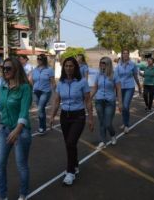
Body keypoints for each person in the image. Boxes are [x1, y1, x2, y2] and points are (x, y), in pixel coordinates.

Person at [49, 57, 94, 186]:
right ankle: (75, 164)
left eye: (71, 66)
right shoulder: (61, 83)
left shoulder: (82, 82)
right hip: (65, 116)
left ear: (75, 67)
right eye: (66, 66)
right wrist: (52, 116)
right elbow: (57, 100)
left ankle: (70, 172)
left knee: (70, 142)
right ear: (63, 68)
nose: (68, 68)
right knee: (69, 144)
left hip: (78, 116)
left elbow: (88, 100)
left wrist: (90, 118)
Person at [0, 57, 32, 200]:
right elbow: (1, 109)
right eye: (4, 68)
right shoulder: (2, 87)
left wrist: (17, 130)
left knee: (21, 165)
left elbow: (24, 111)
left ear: (16, 69)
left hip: (21, 131)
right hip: (3, 130)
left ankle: (23, 194)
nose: (5, 71)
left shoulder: (25, 88)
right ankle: (2, 195)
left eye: (8, 68)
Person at [90, 57, 122, 149]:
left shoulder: (114, 75)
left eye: (103, 63)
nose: (101, 65)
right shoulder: (98, 74)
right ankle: (103, 141)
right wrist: (89, 98)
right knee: (101, 122)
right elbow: (95, 88)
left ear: (108, 64)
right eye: (100, 63)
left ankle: (112, 134)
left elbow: (118, 89)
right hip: (99, 101)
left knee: (108, 123)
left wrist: (120, 102)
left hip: (110, 101)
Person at [115, 49, 142, 134]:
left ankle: (126, 125)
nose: (125, 55)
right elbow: (115, 77)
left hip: (129, 87)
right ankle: (124, 122)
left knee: (126, 106)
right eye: (124, 53)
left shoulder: (133, 64)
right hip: (120, 88)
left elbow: (135, 76)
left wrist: (139, 86)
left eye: (127, 53)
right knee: (122, 106)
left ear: (129, 55)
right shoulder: (118, 65)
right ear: (122, 55)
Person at [31, 54, 55, 134]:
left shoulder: (49, 70)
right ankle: (42, 125)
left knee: (40, 108)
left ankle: (42, 127)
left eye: (40, 59)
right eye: (38, 58)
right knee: (41, 109)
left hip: (45, 92)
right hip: (36, 92)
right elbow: (33, 81)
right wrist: (31, 89)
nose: (38, 60)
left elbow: (53, 82)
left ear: (44, 60)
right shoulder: (35, 70)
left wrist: (56, 93)